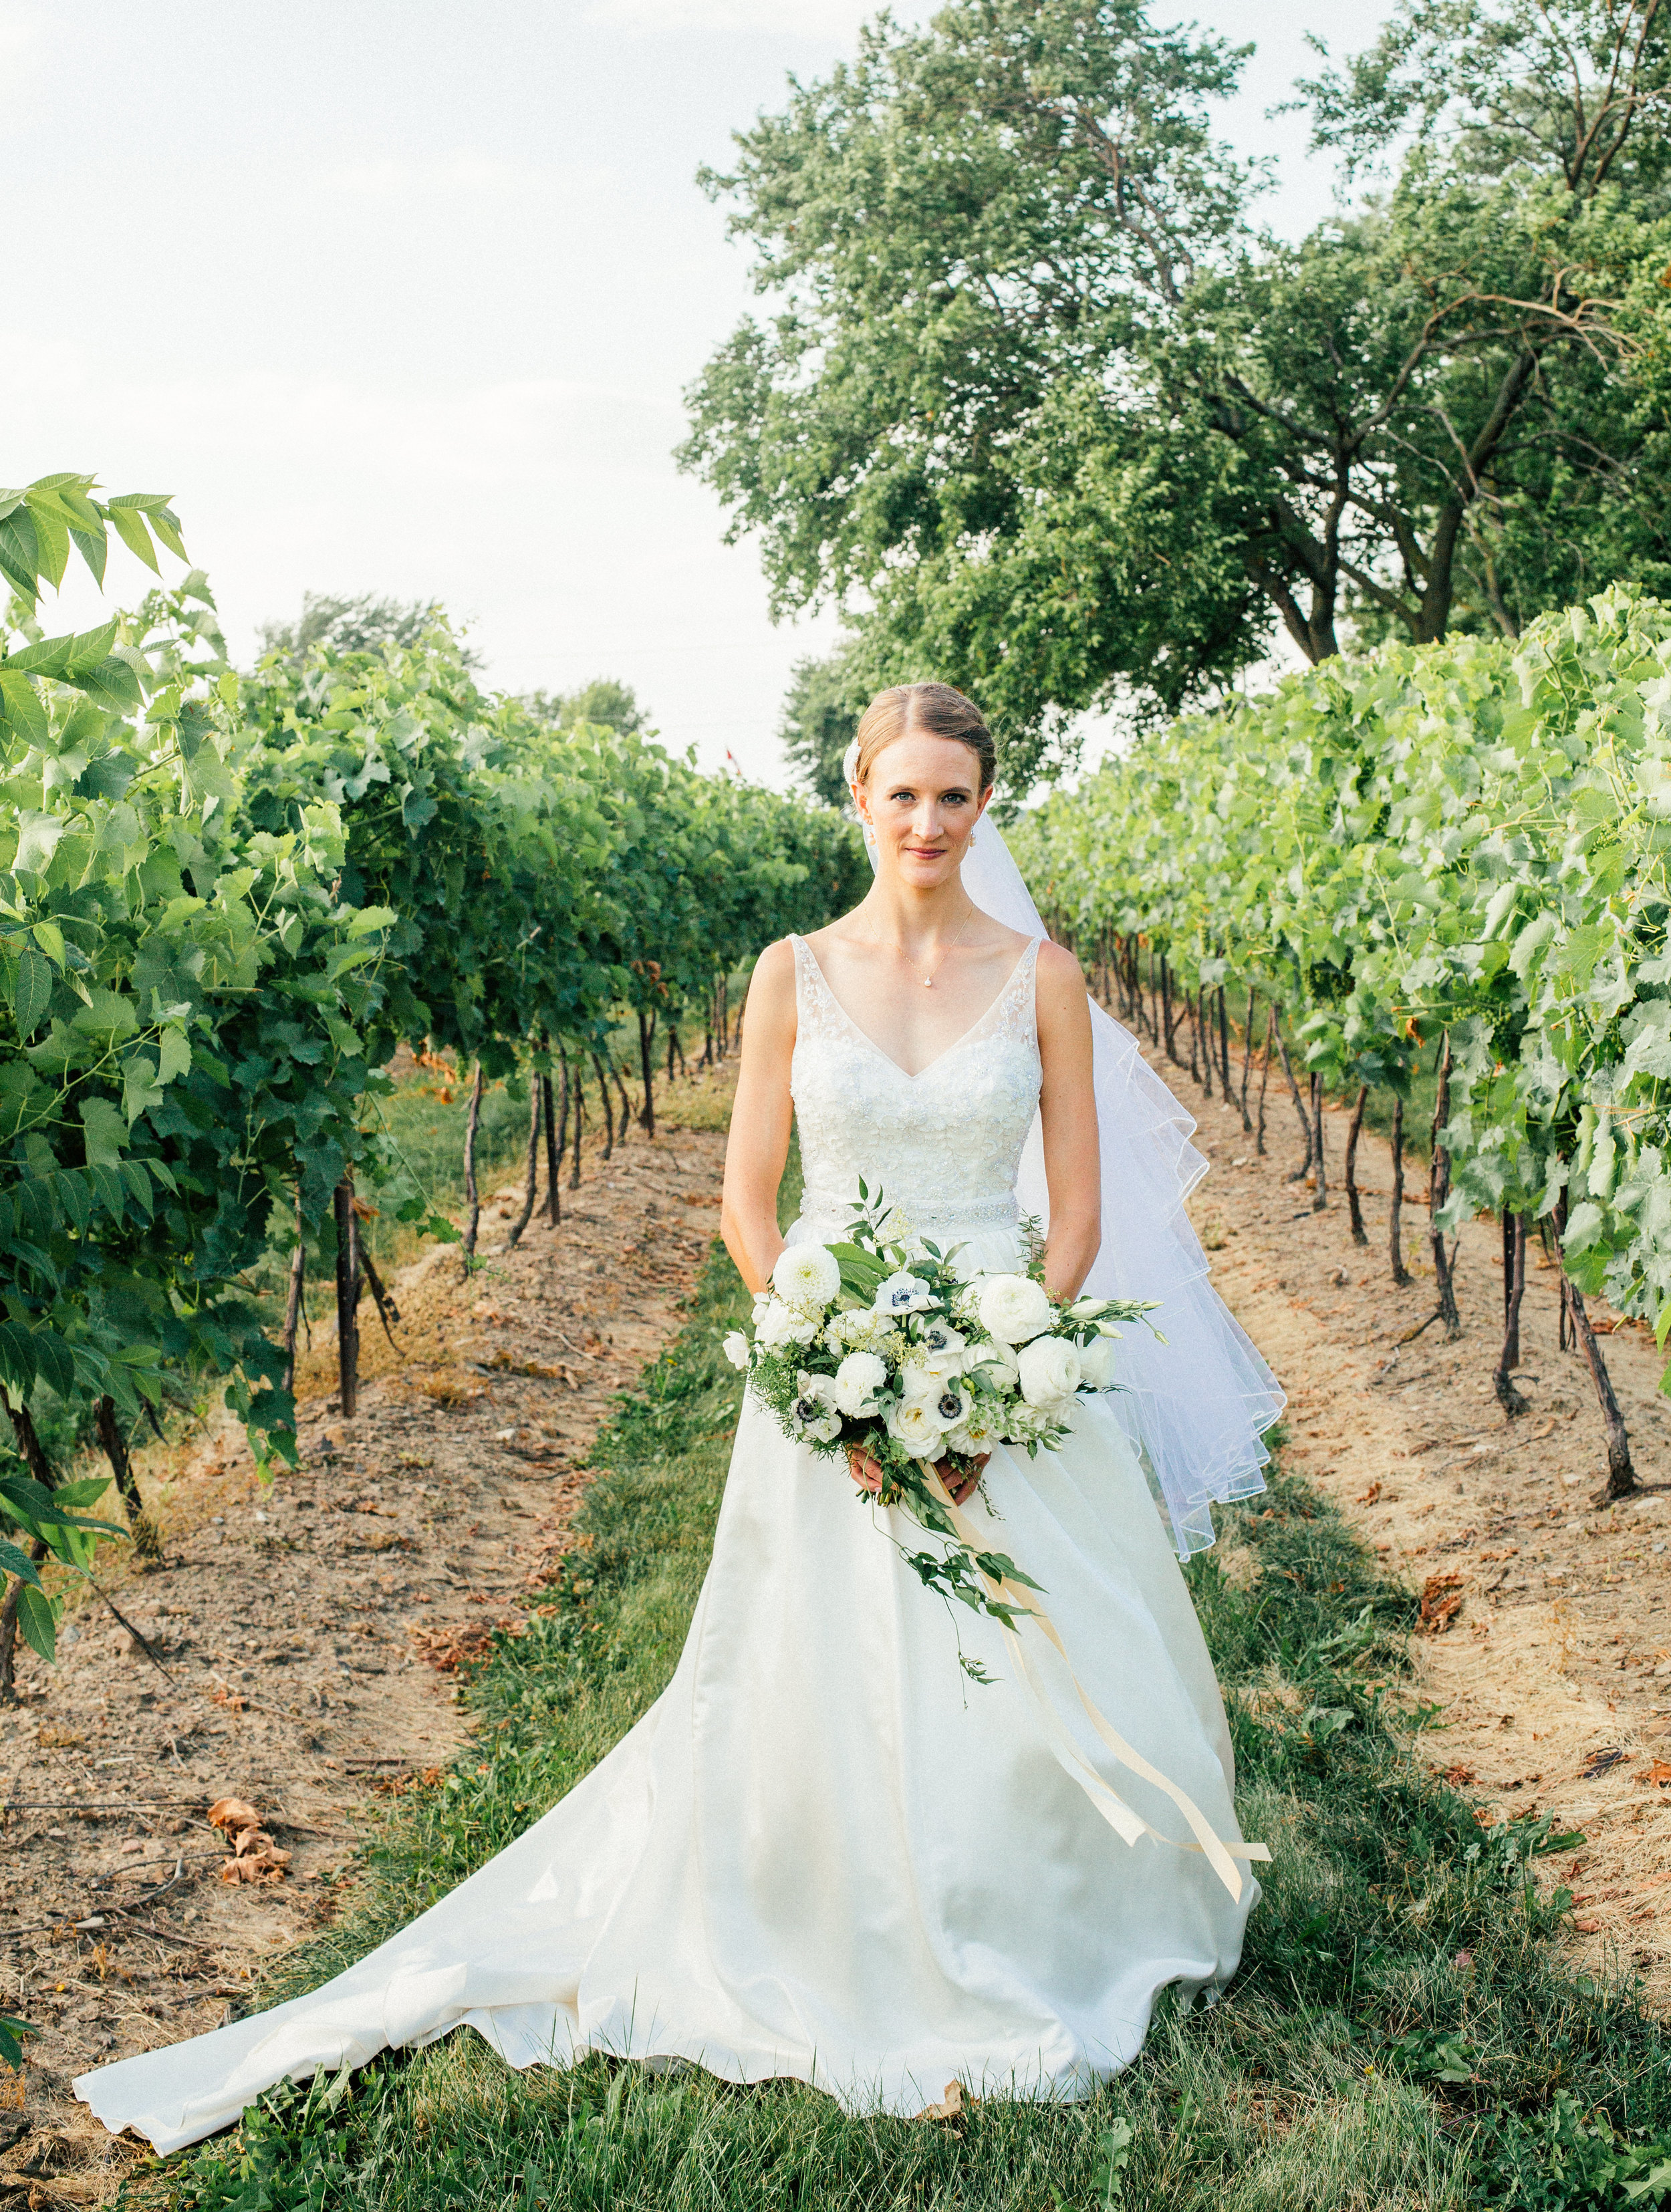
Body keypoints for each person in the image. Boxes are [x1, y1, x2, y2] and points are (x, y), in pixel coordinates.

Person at [74, 682, 1282, 2155]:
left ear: (983, 807)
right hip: (829, 1369)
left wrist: (989, 1372)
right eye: (899, 794)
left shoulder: (1040, 978)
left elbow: (1077, 1220)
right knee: (815, 1665)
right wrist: (824, 1354)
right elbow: (744, 1199)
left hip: (997, 1370)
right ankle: (828, 1912)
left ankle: (1047, 1910)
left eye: (952, 797)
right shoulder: (792, 971)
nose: (925, 823)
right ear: (855, 797)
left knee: (1020, 1649)